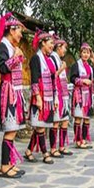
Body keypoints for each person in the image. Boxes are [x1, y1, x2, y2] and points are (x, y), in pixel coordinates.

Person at [0, 12, 27, 178]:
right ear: (11, 30)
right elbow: (2, 68)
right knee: (10, 130)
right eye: (19, 31)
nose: (21, 34)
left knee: (13, 130)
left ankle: (9, 163)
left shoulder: (13, 47)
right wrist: (15, 58)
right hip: (8, 92)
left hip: (15, 91)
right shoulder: (2, 47)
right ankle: (4, 166)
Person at [24, 30, 57, 164]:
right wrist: (37, 97)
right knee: (41, 126)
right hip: (41, 96)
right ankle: (45, 153)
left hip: (49, 97)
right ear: (42, 43)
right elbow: (34, 80)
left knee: (39, 126)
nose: (52, 46)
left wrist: (54, 98)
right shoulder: (36, 59)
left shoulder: (49, 60)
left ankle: (28, 151)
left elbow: (53, 78)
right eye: (50, 43)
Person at [70, 43, 94, 149]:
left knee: (87, 119)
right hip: (79, 95)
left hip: (88, 96)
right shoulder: (76, 65)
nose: (86, 55)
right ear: (80, 53)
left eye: (88, 53)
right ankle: (78, 140)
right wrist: (83, 81)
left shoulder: (90, 67)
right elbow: (72, 79)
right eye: (84, 52)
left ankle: (83, 139)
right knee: (78, 118)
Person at [50, 36, 73, 156]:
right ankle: (53, 148)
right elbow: (52, 76)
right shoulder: (53, 58)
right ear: (58, 47)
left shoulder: (58, 59)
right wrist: (62, 68)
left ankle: (62, 146)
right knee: (56, 122)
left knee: (64, 120)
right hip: (57, 94)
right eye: (64, 48)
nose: (65, 51)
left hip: (63, 95)